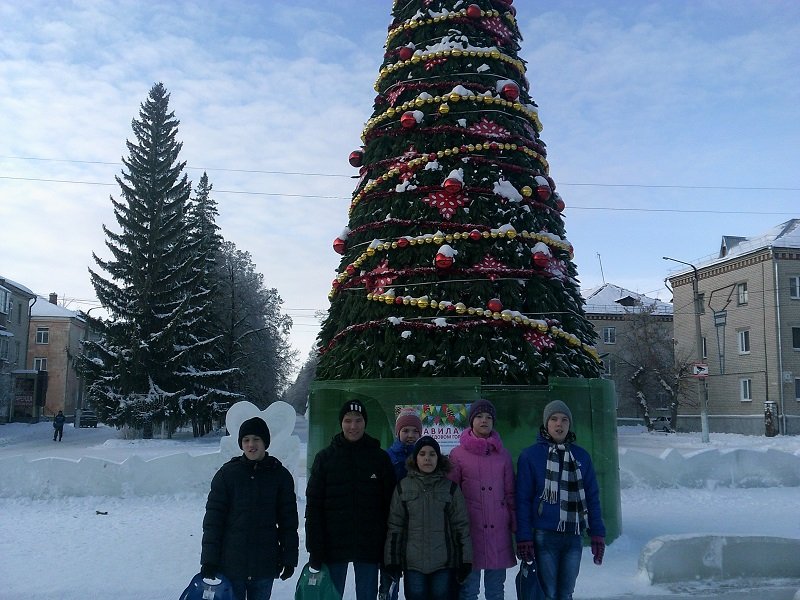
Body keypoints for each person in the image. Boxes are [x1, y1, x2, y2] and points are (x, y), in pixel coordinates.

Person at [305, 399, 396, 600]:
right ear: (341, 423)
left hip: (369, 546)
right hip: (333, 546)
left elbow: (390, 506)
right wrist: (315, 549)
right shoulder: (325, 458)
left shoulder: (379, 458)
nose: (353, 426)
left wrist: (388, 548)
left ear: (365, 422)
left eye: (358, 420)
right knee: (331, 596)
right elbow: (313, 507)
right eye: (347, 420)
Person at [515, 400, 606, 600]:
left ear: (569, 424)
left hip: (573, 535)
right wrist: (523, 536)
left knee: (566, 593)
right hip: (544, 535)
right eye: (554, 419)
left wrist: (597, 532)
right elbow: (522, 500)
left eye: (564, 420)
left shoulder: (581, 456)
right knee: (548, 592)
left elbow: (592, 497)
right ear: (546, 424)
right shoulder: (531, 456)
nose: (559, 424)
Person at [201, 416, 299, 600]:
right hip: (232, 565)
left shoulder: (280, 476)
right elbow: (213, 522)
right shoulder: (227, 475)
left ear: (265, 442)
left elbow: (288, 522)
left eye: (256, 439)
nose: (251, 444)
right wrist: (209, 560)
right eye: (246, 440)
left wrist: (289, 558)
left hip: (265, 565)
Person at [384, 436, 472, 600]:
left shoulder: (450, 489)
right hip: (413, 564)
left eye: (432, 454)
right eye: (422, 454)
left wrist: (465, 560)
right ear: (415, 458)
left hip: (444, 563)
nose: (427, 458)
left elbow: (461, 527)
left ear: (438, 459)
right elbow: (395, 527)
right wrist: (392, 561)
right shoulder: (403, 487)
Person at [448, 399, 516, 600]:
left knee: (496, 591)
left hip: (498, 532)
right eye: (479, 416)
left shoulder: (503, 455)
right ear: (471, 421)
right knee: (469, 590)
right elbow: (451, 494)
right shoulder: (457, 454)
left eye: (488, 417)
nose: (484, 420)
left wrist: (515, 523)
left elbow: (510, 493)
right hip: (470, 531)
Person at [380, 410, 423, 600]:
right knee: (390, 579)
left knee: (416, 582)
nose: (410, 435)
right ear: (398, 432)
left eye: (415, 431)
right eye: (406, 430)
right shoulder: (387, 458)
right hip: (392, 526)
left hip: (417, 527)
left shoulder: (425, 457)